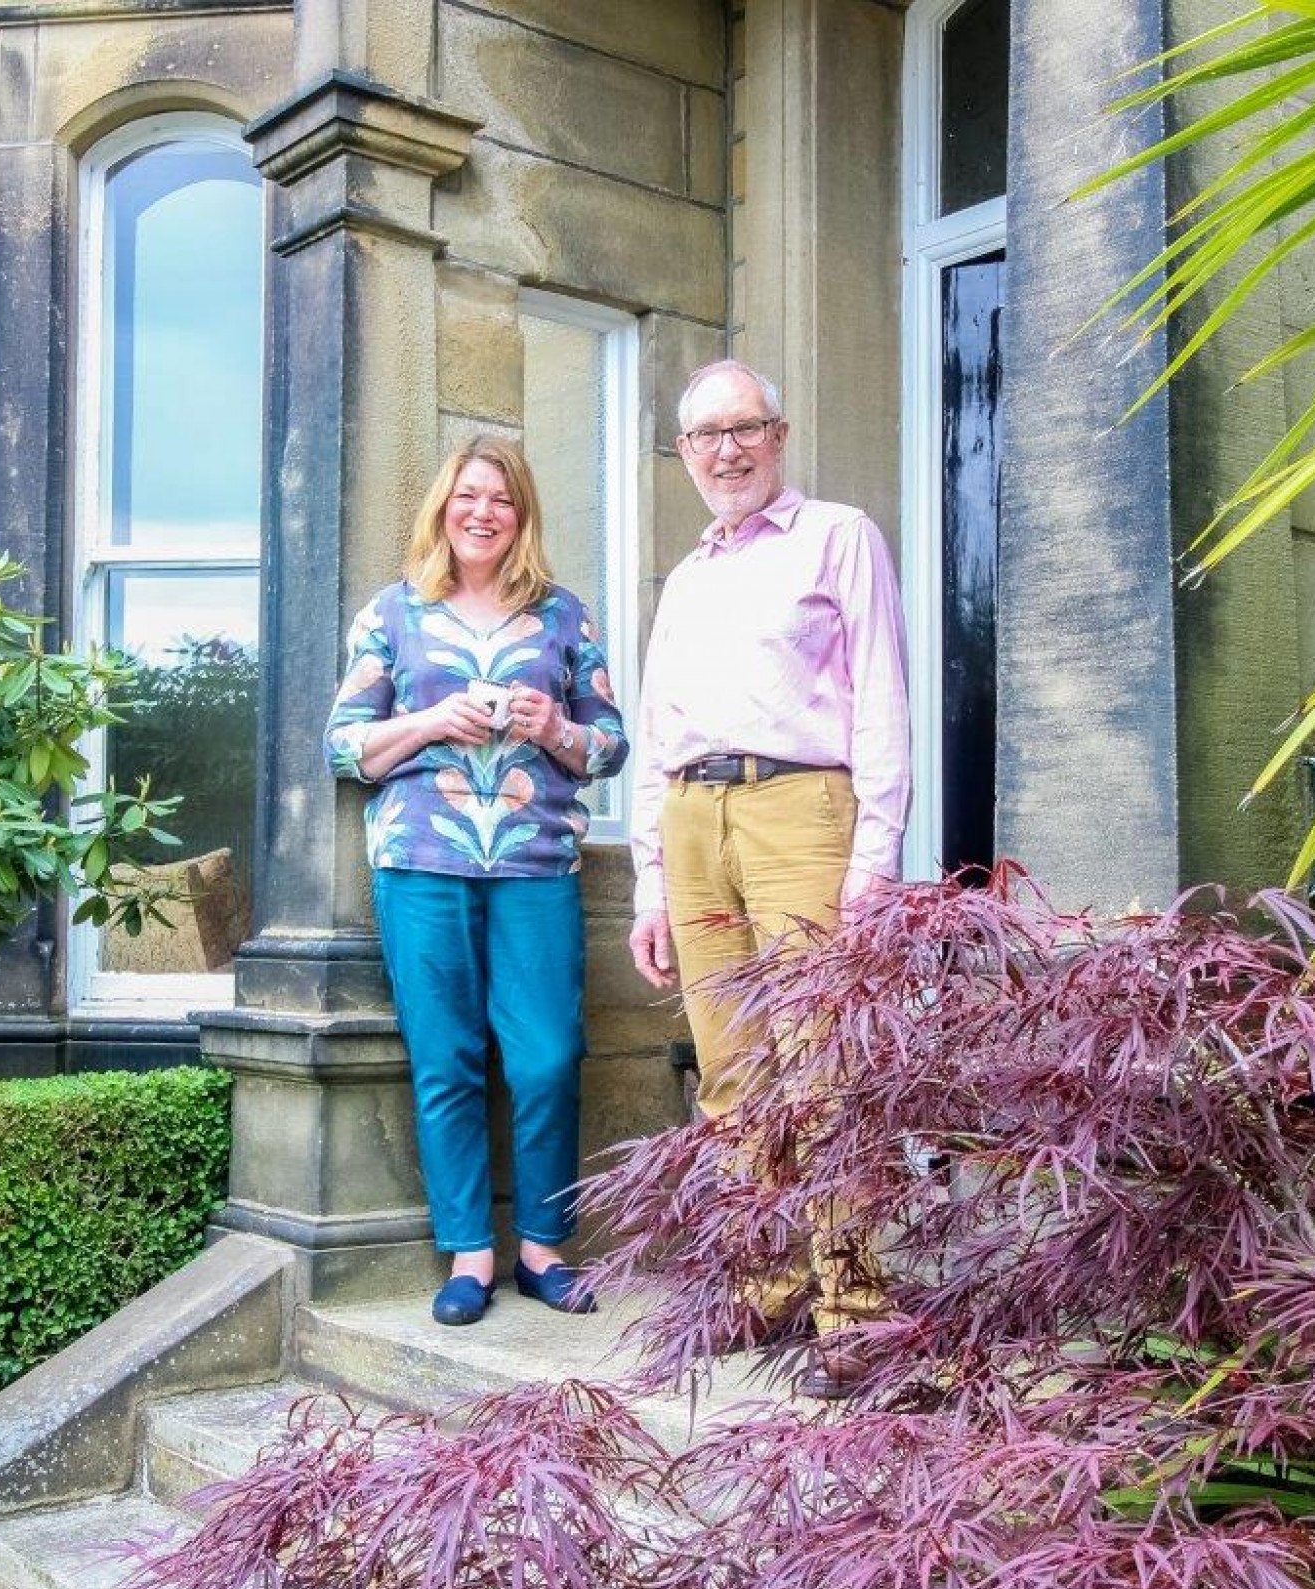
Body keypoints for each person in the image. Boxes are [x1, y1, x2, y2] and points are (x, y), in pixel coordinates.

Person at [625, 359, 912, 1399]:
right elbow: (656, 726)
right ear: (684, 454)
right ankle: (770, 1280)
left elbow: (881, 696)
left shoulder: (837, 535)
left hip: (802, 811)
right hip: (692, 817)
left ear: (778, 434)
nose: (726, 450)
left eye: (743, 428)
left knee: (823, 1066)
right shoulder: (689, 574)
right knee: (735, 1074)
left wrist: (874, 860)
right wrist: (652, 881)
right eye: (704, 436)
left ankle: (858, 1308)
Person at [326, 436, 630, 1327]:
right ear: (443, 509)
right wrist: (426, 721)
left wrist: (553, 727)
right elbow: (344, 746)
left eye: (500, 498)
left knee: (547, 1055)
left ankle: (544, 1247)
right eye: (468, 497)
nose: (483, 512)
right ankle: (469, 1252)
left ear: (522, 513)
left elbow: (611, 743)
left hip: (536, 863)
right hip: (423, 861)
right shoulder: (393, 615)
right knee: (445, 1060)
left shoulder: (565, 616)